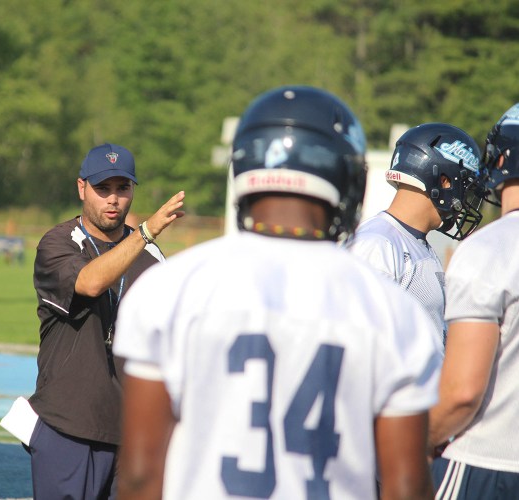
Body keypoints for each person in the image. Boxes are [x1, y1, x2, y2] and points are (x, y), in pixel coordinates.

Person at [113, 86, 441, 500]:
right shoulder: (394, 312)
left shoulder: (168, 288)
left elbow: (141, 474)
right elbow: (407, 486)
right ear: (348, 177)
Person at [25, 143, 185, 499]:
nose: (113, 200)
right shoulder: (59, 242)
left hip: (131, 434)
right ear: (82, 188)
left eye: (122, 188)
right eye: (103, 189)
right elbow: (91, 282)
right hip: (68, 427)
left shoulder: (152, 256)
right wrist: (145, 233)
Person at [428, 103, 519, 497]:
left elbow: (462, 395)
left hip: (486, 464)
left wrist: (412, 439)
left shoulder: (491, 248)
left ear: (500, 158)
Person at [345, 123, 486, 350]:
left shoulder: (418, 245)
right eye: (465, 186)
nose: (466, 200)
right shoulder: (376, 244)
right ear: (444, 181)